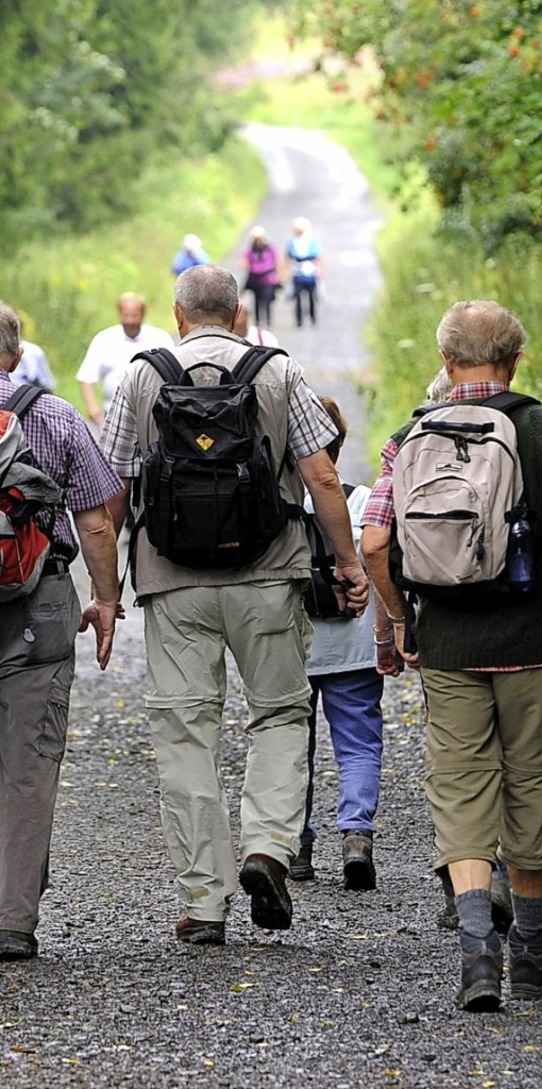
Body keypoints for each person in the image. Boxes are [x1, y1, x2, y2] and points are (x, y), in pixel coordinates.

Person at [361, 299, 542, 1012]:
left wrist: (399, 619)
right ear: (516, 360)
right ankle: (533, 956)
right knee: (531, 786)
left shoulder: (409, 436)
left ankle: (478, 954)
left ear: (447, 365)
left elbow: (373, 542)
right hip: (538, 647)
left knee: (458, 786)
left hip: (450, 644)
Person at [99, 264, 369, 946]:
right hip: (266, 575)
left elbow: (111, 493)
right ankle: (269, 847)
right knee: (279, 711)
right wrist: (346, 561)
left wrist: (105, 591)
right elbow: (322, 475)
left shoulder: (140, 372)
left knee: (185, 732)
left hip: (173, 578)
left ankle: (204, 901)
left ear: (177, 314)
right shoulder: (276, 370)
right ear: (240, 313)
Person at [0, 301, 122, 962]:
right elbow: (98, 519)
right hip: (37, 602)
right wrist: (105, 597)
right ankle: (12, 917)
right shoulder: (51, 414)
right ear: (17, 356)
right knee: (29, 763)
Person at [289, 397, 401, 891]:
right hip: (355, 649)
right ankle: (357, 837)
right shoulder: (363, 500)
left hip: (294, 648)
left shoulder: (281, 506)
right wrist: (390, 631)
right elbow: (380, 565)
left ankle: (297, 844)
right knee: (358, 744)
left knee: (293, 745)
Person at [76, 293, 174, 427]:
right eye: (126, 315)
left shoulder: (160, 338)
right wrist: (92, 406)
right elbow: (87, 376)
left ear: (143, 314)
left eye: (135, 316)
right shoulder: (104, 339)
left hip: (152, 414)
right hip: (112, 413)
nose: (130, 321)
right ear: (119, 314)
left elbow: (173, 374)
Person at [284, 216, 324, 328]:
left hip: (311, 272)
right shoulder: (292, 241)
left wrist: (321, 271)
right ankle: (299, 319)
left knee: (312, 296)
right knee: (297, 297)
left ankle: (312, 316)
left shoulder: (313, 240)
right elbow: (288, 257)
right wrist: (284, 272)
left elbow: (318, 257)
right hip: (297, 272)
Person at [241, 226, 281, 327]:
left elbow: (277, 260)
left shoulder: (270, 249)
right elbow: (244, 261)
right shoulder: (251, 250)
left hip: (268, 279)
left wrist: (278, 275)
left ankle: (268, 319)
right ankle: (258, 320)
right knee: (257, 300)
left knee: (267, 299)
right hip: (255, 279)